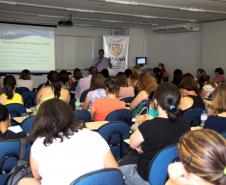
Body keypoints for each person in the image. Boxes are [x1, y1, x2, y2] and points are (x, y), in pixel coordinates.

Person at [18, 99, 118, 185]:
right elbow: (114, 170)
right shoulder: (93, 135)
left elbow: (37, 175)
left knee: (23, 182)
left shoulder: (39, 144)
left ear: (41, 120)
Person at [120, 83, 190, 185]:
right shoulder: (185, 123)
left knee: (115, 172)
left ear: (156, 102)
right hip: (170, 175)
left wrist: (139, 147)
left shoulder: (149, 125)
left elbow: (132, 143)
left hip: (145, 177)